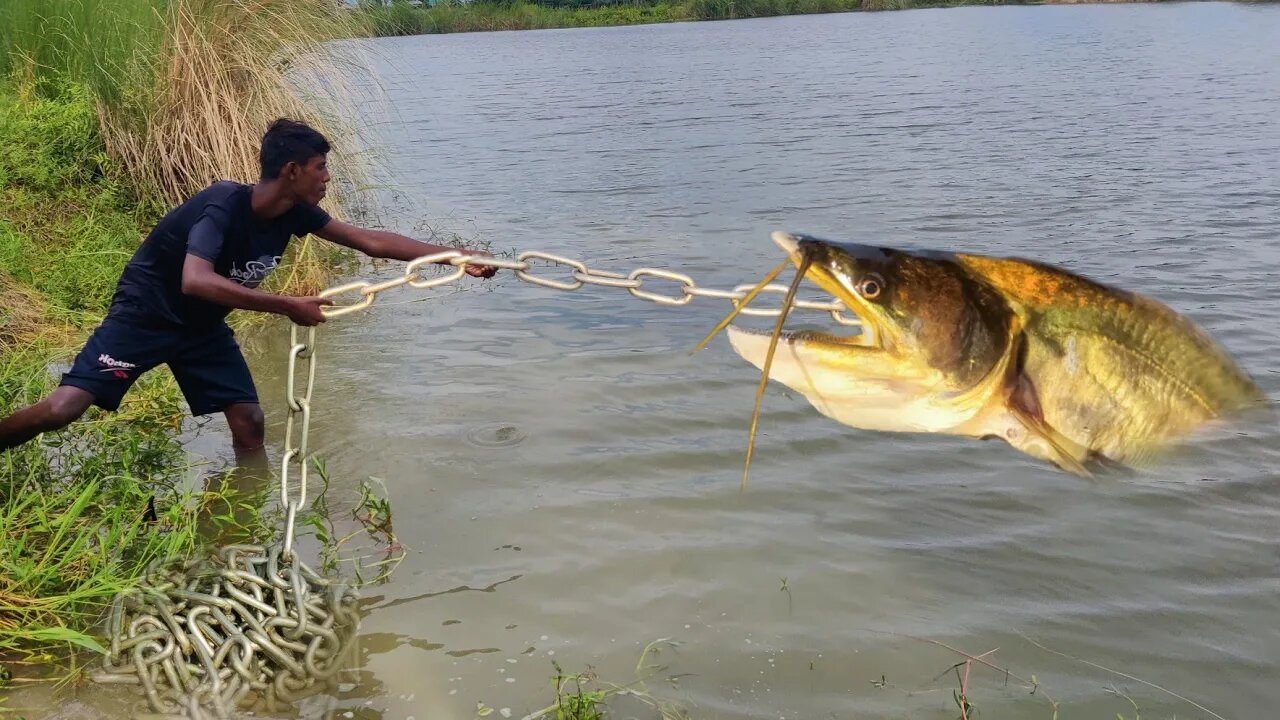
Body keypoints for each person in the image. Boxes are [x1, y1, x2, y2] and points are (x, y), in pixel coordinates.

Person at [0, 118, 496, 454]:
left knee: (250, 421)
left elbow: (367, 240)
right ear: (292, 170)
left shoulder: (295, 213)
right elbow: (195, 281)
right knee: (64, 408)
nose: (327, 177)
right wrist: (285, 305)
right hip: (144, 315)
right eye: (321, 167)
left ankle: (245, 515)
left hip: (201, 327)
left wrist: (457, 256)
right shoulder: (222, 204)